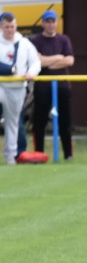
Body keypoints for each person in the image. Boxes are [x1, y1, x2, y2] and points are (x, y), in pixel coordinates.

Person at [28, 9, 75, 161]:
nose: (50, 24)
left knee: (65, 122)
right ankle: (39, 154)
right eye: (47, 22)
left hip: (62, 86)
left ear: (56, 23)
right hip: (42, 87)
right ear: (42, 23)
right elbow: (37, 62)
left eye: (52, 21)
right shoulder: (35, 41)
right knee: (39, 122)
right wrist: (57, 58)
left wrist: (47, 62)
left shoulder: (64, 40)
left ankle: (68, 155)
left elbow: (69, 61)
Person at [0, 12, 41, 165]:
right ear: (1, 27)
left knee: (13, 123)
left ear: (16, 26)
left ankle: (11, 157)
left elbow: (35, 61)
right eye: (7, 27)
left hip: (17, 88)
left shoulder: (24, 43)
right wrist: (8, 70)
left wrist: (32, 72)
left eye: (12, 26)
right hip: (0, 85)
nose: (10, 30)